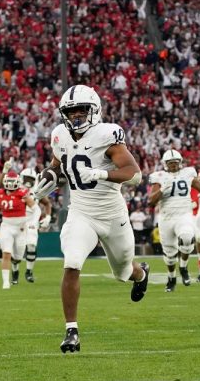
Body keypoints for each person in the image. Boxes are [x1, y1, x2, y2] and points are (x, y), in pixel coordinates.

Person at [31, 84, 149, 353]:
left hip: (112, 214)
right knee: (72, 263)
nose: (76, 117)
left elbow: (135, 173)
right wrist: (45, 182)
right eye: (71, 112)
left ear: (94, 111)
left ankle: (140, 274)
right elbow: (57, 167)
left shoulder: (106, 135)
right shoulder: (60, 135)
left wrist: (102, 174)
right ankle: (71, 331)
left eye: (81, 110)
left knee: (123, 272)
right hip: (81, 212)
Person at [149, 149, 200, 292]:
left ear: (180, 163)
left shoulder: (187, 174)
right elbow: (151, 201)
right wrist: (163, 190)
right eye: (170, 163)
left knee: (188, 238)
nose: (174, 166)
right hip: (166, 217)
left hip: (184, 214)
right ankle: (171, 278)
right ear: (165, 164)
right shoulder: (159, 177)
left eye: (176, 163)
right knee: (169, 254)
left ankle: (183, 267)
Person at [0, 170, 36, 289]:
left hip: (21, 228)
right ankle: (6, 282)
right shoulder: (0, 194)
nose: (11, 184)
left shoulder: (23, 193)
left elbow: (34, 207)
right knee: (6, 253)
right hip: (7, 226)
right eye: (9, 181)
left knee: (18, 256)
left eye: (13, 182)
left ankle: (16, 264)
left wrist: (31, 220)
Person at [18, 167, 52, 283]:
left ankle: (29, 271)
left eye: (30, 179)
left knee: (31, 246)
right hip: (17, 220)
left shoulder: (37, 190)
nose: (28, 181)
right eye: (26, 178)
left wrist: (48, 217)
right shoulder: (15, 188)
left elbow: (47, 203)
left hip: (32, 221)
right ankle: (14, 272)